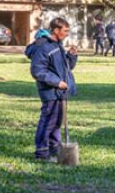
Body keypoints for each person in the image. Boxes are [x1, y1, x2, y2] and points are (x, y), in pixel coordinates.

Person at [25, 17, 77, 161]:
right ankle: (41, 152)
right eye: (65, 31)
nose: (67, 34)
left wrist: (71, 56)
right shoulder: (43, 46)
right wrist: (57, 82)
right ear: (56, 30)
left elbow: (66, 68)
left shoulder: (57, 45)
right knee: (48, 121)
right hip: (50, 91)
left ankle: (54, 149)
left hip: (59, 92)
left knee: (56, 122)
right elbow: (37, 71)